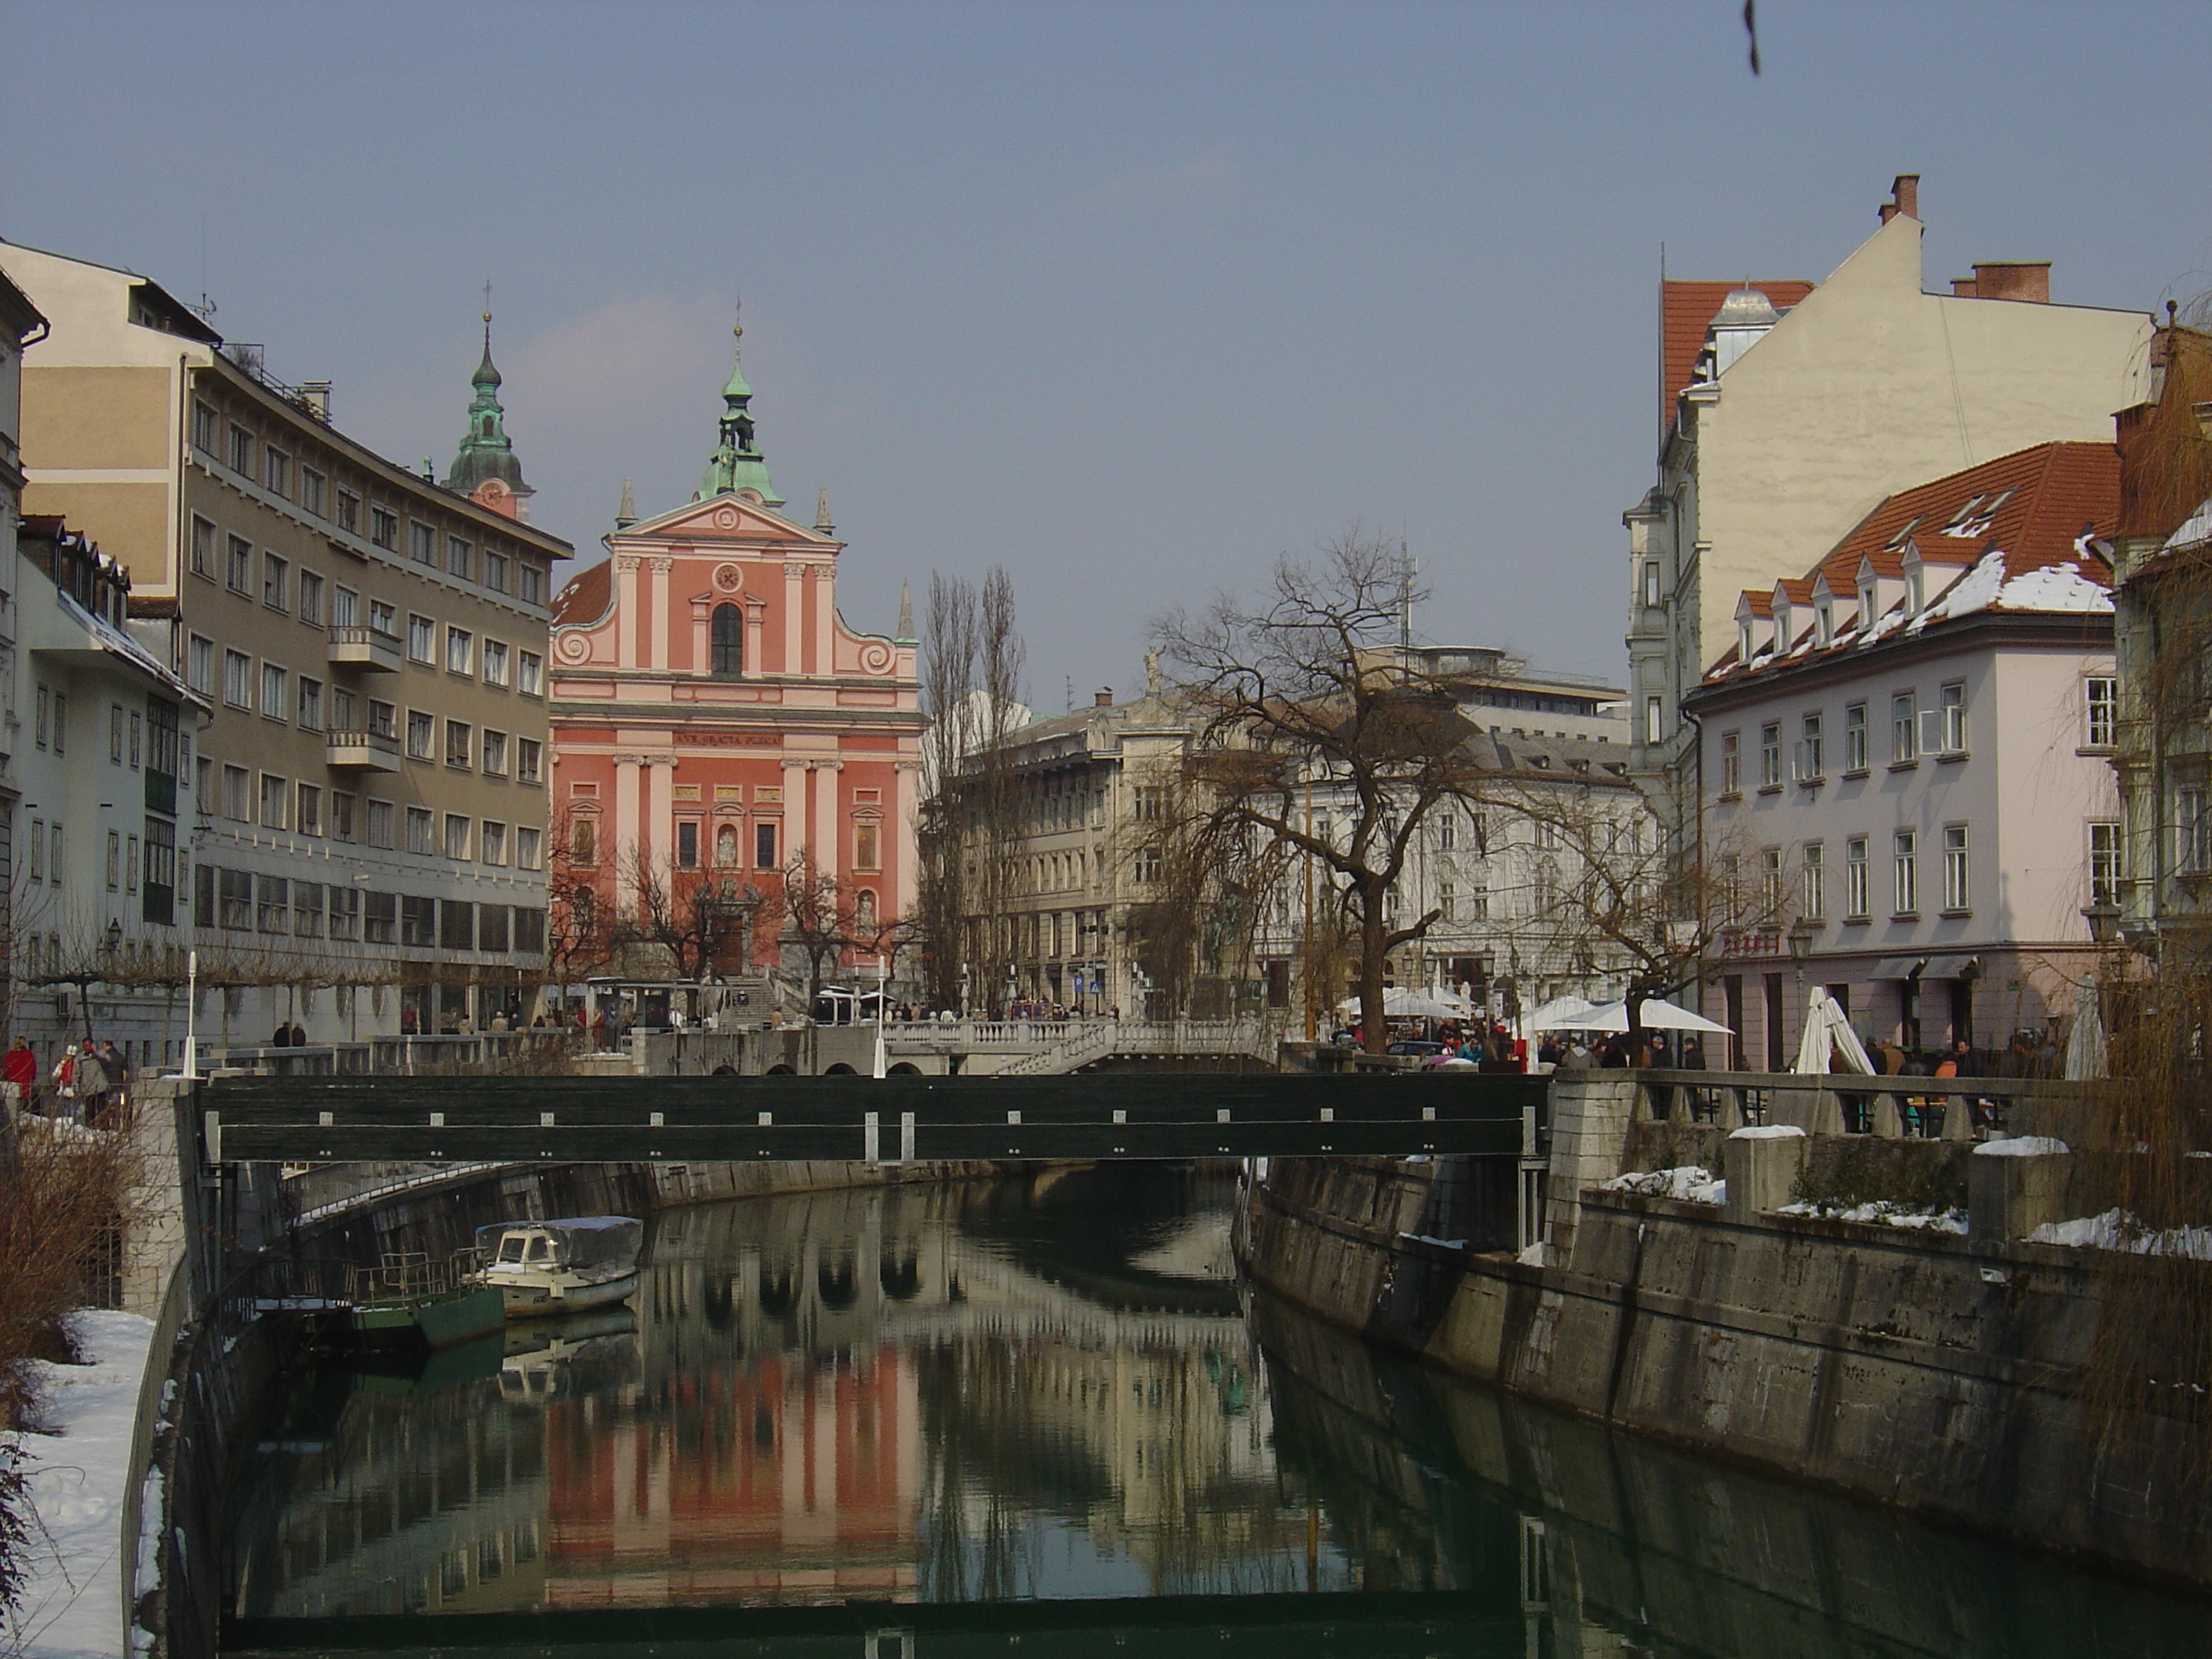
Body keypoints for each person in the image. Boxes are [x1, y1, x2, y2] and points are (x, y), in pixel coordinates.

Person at [4, 1038, 38, 1112]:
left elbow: (6, 1069)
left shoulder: (11, 1055)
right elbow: (32, 1069)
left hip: (12, 1085)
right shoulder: (28, 1055)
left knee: (11, 1109)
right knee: (22, 1107)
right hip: (24, 1085)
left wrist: (8, 1078)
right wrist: (31, 1079)